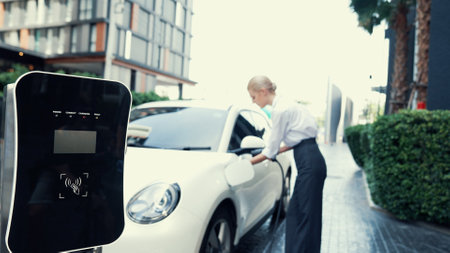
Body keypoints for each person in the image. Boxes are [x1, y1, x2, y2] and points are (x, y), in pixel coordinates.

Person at [247, 75, 327, 253]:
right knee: (301, 215)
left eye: (253, 97)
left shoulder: (280, 110)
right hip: (312, 160)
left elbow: (270, 150)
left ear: (262, 91)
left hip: (309, 163)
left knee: (303, 217)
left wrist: (246, 162)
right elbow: (293, 142)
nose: (253, 102)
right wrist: (269, 153)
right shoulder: (289, 104)